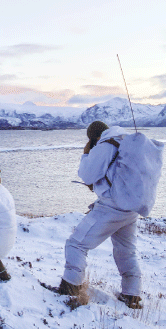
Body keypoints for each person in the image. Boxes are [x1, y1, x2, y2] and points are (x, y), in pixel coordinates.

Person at [59, 121, 143, 309]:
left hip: (112, 207)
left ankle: (70, 289)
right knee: (126, 250)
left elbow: (87, 175)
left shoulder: (105, 146)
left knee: (76, 244)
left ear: (95, 136)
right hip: (131, 206)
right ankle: (132, 295)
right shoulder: (126, 141)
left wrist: (87, 153)